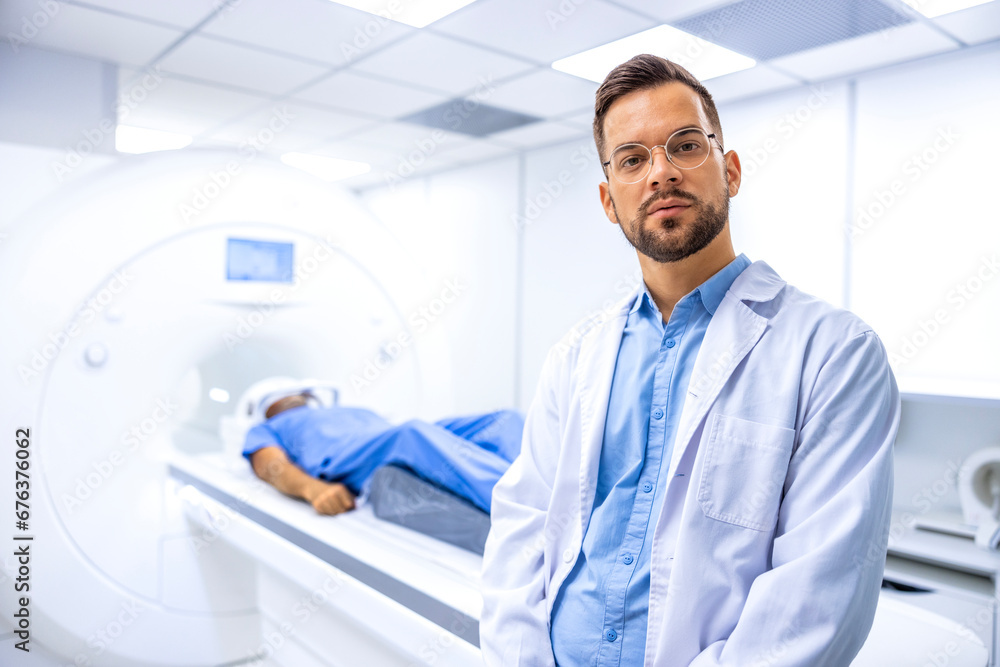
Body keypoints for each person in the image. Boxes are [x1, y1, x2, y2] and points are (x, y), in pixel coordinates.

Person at [480, 54, 899, 667]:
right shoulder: (575, 359)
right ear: (608, 199)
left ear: (729, 170)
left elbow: (814, 603)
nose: (660, 174)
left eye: (684, 146)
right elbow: (522, 532)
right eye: (632, 159)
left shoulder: (834, 353)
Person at [243, 392, 523, 515]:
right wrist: (313, 489)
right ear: (268, 406)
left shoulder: (349, 408)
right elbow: (271, 465)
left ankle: (550, 484)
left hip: (389, 435)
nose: (294, 396)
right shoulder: (270, 427)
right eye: (284, 396)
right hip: (350, 455)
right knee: (413, 434)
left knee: (505, 420)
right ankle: (526, 504)